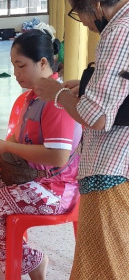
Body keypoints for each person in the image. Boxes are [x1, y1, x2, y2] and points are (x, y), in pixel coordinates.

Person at [0, 29, 82, 280]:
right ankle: (16, 255)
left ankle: (31, 261)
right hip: (28, 178)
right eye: (13, 66)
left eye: (21, 65)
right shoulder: (32, 97)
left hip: (54, 191)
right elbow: (16, 136)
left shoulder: (57, 102)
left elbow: (58, 157)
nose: (15, 73)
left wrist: (6, 148)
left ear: (42, 63)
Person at [33, 0, 129, 279]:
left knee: (107, 266)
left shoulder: (119, 30)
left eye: (79, 14)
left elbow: (97, 116)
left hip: (111, 167)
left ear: (97, 5)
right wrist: (88, 84)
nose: (84, 23)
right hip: (118, 166)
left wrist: (57, 94)